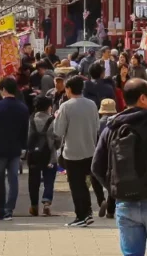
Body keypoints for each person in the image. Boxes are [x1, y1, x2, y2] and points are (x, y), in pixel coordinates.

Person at [93, 79, 147, 256]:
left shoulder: (111, 128)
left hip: (125, 202)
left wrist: (114, 188)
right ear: (143, 98)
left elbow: (96, 166)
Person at [55, 75, 101, 227]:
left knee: (77, 186)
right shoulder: (92, 104)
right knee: (85, 184)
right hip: (90, 149)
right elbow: (97, 127)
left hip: (72, 152)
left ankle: (81, 216)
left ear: (68, 89)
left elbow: (58, 131)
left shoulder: (66, 106)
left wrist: (56, 117)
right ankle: (87, 213)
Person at [0, 77, 30, 221]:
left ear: (3, 90)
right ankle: (9, 210)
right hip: (15, 148)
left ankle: (0, 210)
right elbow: (25, 130)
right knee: (13, 180)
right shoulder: (23, 108)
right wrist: (23, 146)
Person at [27, 96, 59, 217]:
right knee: (49, 180)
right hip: (50, 155)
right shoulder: (52, 120)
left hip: (34, 155)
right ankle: (46, 204)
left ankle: (34, 206)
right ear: (48, 107)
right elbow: (57, 138)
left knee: (33, 181)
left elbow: (28, 137)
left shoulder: (31, 120)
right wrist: (55, 146)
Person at [97, 98, 119, 219]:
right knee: (113, 180)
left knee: (95, 177)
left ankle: (100, 199)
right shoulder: (117, 123)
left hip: (100, 153)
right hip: (114, 154)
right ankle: (110, 210)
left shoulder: (98, 122)